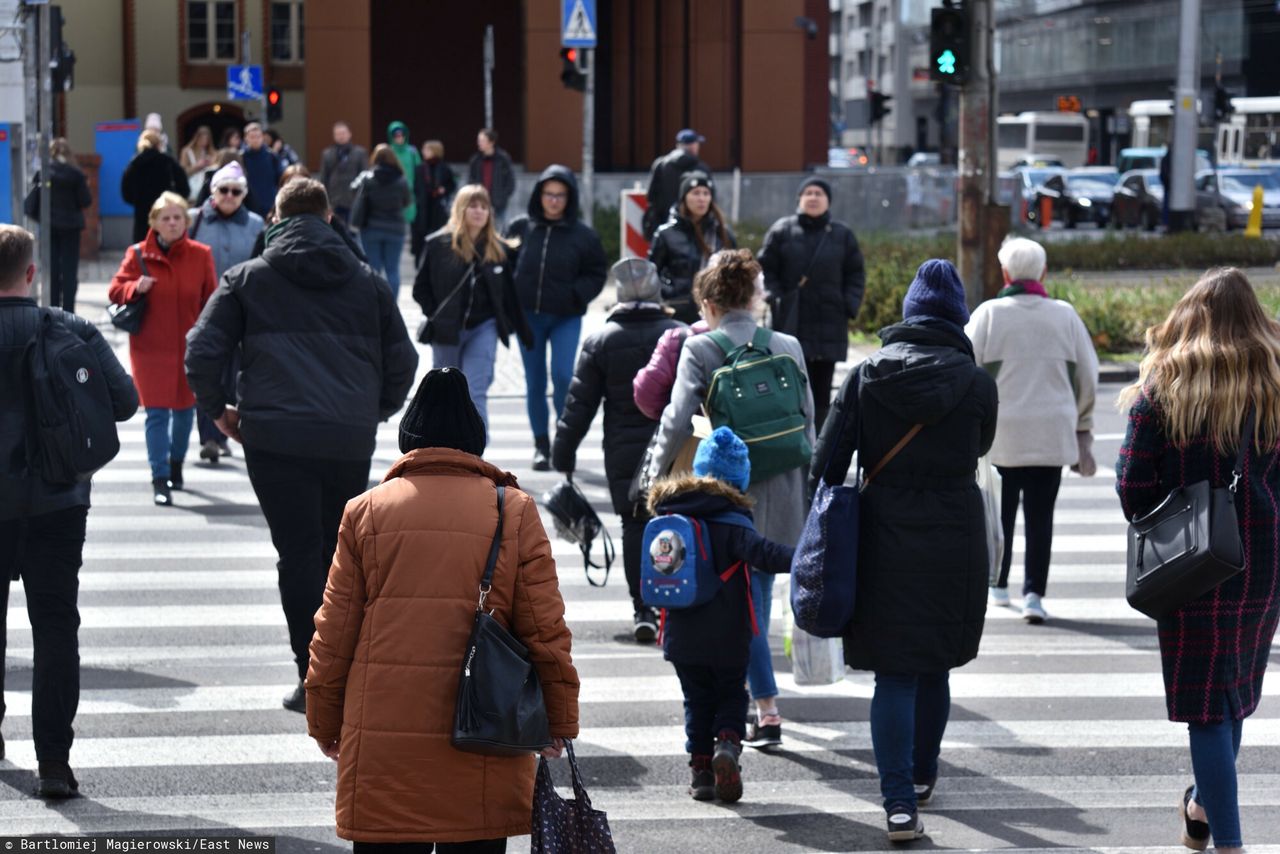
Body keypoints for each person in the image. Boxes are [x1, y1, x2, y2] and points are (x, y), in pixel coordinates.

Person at [305, 367, 579, 852]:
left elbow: (334, 630)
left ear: (408, 439)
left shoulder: (365, 511)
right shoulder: (512, 510)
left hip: (384, 752)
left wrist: (324, 721)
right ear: (474, 442)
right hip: (483, 740)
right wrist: (558, 718)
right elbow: (545, 627)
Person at [185, 178, 418, 713]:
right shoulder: (369, 282)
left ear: (274, 217)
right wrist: (373, 410)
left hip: (273, 436)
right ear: (330, 218)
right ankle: (348, 669)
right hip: (346, 436)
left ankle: (312, 676)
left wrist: (219, 410)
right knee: (337, 554)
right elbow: (404, 363)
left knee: (296, 553)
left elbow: (200, 350)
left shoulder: (247, 278)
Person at [811, 259, 997, 843]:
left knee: (893, 675)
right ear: (959, 318)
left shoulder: (867, 375)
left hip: (881, 531)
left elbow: (827, 465)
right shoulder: (977, 384)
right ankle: (921, 775)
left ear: (909, 313)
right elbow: (982, 445)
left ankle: (897, 805)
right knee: (935, 663)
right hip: (954, 532)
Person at [1116, 268, 1280, 854]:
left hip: (1191, 563)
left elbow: (1134, 486)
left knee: (1209, 705)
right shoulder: (1275, 384)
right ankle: (1201, 807)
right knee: (1232, 692)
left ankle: (1227, 841)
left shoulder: (1166, 385)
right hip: (1263, 557)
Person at [646, 249, 813, 752]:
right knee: (757, 598)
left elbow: (676, 420)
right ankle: (760, 704)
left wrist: (655, 479)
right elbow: (807, 419)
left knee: (745, 607)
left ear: (709, 303)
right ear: (754, 298)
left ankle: (765, 710)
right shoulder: (786, 344)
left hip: (727, 495)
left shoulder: (702, 348)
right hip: (784, 487)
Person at [0, 224, 138, 798]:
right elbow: (126, 402)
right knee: (56, 627)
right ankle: (54, 761)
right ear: (32, 273)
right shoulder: (71, 328)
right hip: (58, 501)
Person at [649, 427, 795, 803]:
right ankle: (727, 744)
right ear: (739, 480)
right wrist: (807, 557)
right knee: (732, 694)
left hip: (682, 634)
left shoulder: (670, 515)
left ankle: (700, 774)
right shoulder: (735, 522)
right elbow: (767, 555)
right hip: (730, 634)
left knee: (695, 701)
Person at [965, 237, 1098, 623]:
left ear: (1005, 273)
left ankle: (998, 584)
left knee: (999, 515)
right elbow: (1088, 375)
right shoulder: (1064, 315)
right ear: (1043, 272)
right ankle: (1035, 594)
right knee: (1041, 519)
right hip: (1051, 433)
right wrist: (1083, 423)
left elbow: (966, 365)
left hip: (1000, 434)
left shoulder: (988, 314)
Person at [552, 258, 684, 642]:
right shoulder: (679, 334)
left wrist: (564, 454)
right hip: (675, 445)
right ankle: (673, 604)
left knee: (634, 525)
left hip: (624, 449)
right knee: (679, 522)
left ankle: (643, 608)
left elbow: (578, 406)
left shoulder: (601, 340)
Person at [108, 192, 217, 507]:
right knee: (156, 413)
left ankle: (176, 464)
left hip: (188, 347)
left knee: (184, 413)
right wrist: (133, 287)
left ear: (186, 221)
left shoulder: (201, 254)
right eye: (165, 218)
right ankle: (159, 477)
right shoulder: (138, 254)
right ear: (153, 222)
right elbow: (115, 290)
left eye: (177, 218)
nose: (172, 223)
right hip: (149, 348)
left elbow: (211, 299)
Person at [506, 165, 608, 471]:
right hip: (528, 318)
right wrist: (509, 302)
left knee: (564, 375)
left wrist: (576, 295)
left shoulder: (584, 236)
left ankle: (564, 443)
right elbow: (501, 266)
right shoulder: (520, 228)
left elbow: (596, 273)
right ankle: (541, 446)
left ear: (569, 198)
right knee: (534, 382)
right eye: (548, 194)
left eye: (560, 195)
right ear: (539, 195)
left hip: (565, 317)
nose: (553, 201)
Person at [413, 184, 532, 428]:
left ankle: (476, 458)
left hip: (483, 328)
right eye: (472, 206)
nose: (479, 211)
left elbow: (509, 296)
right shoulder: (439, 245)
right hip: (447, 331)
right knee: (444, 395)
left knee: (475, 393)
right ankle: (444, 454)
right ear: (460, 210)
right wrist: (436, 314)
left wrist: (522, 331)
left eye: (484, 207)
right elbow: (420, 288)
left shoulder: (498, 250)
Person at [759, 176, 866, 427]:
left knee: (822, 391)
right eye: (809, 193)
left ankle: (819, 445)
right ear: (799, 198)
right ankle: (792, 441)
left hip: (830, 323)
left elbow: (855, 274)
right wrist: (775, 298)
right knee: (790, 385)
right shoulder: (782, 231)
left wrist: (848, 305)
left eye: (819, 193)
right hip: (792, 322)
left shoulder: (842, 234)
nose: (814, 198)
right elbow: (765, 270)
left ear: (828, 201)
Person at [187, 161, 265, 465]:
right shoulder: (194, 220)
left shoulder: (257, 224)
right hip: (204, 310)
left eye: (236, 191)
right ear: (212, 191)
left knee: (234, 377)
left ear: (244, 194)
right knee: (207, 372)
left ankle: (223, 434)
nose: (229, 196)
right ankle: (209, 437)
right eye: (224, 190)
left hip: (241, 311)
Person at [649, 171, 736, 324]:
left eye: (706, 193)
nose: (701, 198)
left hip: (716, 311)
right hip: (678, 312)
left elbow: (736, 271)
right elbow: (651, 273)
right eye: (695, 193)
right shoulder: (666, 234)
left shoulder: (722, 233)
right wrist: (671, 292)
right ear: (684, 198)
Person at [23, 138, 92, 314]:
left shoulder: (44, 173)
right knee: (69, 270)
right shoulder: (76, 174)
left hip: (49, 227)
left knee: (51, 268)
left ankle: (51, 310)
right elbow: (86, 200)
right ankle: (69, 310)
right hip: (71, 228)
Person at [350, 144, 411, 293]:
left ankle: (376, 304)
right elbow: (407, 202)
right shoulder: (401, 180)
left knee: (373, 269)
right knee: (393, 270)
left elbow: (353, 191)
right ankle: (393, 307)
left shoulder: (368, 179)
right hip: (395, 229)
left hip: (371, 228)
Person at [121, 129, 188, 244]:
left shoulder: (134, 164)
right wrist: (175, 200)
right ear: (159, 144)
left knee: (143, 249)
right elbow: (184, 187)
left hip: (142, 213)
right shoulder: (168, 161)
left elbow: (126, 192)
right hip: (167, 210)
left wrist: (138, 201)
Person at [644, 129, 712, 240]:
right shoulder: (702, 168)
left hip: (663, 223)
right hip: (694, 227)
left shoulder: (661, 164)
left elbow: (651, 196)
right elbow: (712, 199)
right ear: (693, 145)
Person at [411, 139, 458, 265]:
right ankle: (420, 263)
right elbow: (415, 187)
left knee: (439, 236)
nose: (424, 152)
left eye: (427, 149)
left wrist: (444, 189)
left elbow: (452, 185)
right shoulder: (420, 168)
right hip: (423, 209)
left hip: (438, 209)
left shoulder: (444, 168)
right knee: (420, 239)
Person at [319, 120, 368, 225]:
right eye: (337, 134)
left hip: (353, 199)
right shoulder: (327, 154)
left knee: (353, 233)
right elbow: (324, 178)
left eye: (343, 133)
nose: (341, 136)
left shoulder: (360, 153)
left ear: (349, 134)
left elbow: (364, 176)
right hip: (334, 200)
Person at [468, 128, 517, 227]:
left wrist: (503, 197)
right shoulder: (475, 160)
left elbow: (510, 181)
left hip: (498, 204)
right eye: (479, 140)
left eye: (482, 141)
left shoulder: (503, 159)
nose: (479, 143)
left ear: (491, 142)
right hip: (480, 202)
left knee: (499, 230)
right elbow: (470, 180)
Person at [240, 122, 283, 218]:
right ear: (246, 138)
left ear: (262, 138)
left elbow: (280, 179)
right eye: (252, 137)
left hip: (269, 204)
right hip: (248, 205)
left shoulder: (272, 156)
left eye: (258, 136)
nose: (255, 140)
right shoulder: (241, 157)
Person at [386, 121, 422, 228]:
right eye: (396, 135)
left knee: (410, 218)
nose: (399, 138)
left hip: (410, 191)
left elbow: (419, 170)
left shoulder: (412, 152)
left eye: (401, 135)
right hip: (393, 191)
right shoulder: (388, 151)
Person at [179, 125, 216, 200]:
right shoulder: (187, 152)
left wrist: (211, 163)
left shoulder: (211, 152)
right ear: (196, 138)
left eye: (206, 139)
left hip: (206, 189)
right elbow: (182, 173)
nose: (204, 142)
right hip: (192, 190)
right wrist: (197, 166)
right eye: (202, 139)